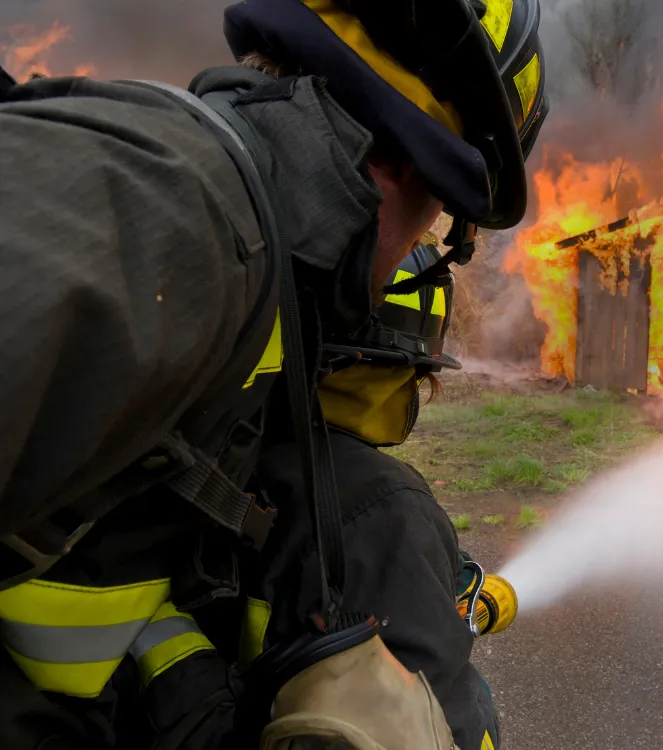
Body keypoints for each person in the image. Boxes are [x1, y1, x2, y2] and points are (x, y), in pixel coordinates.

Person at [0, 0, 548, 747]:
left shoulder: (239, 296)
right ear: (392, 166)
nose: (407, 257)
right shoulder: (183, 215)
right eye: (437, 211)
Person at [257, 241, 500, 750]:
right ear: (397, 373)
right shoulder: (384, 504)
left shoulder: (240, 454)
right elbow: (437, 723)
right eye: (420, 376)